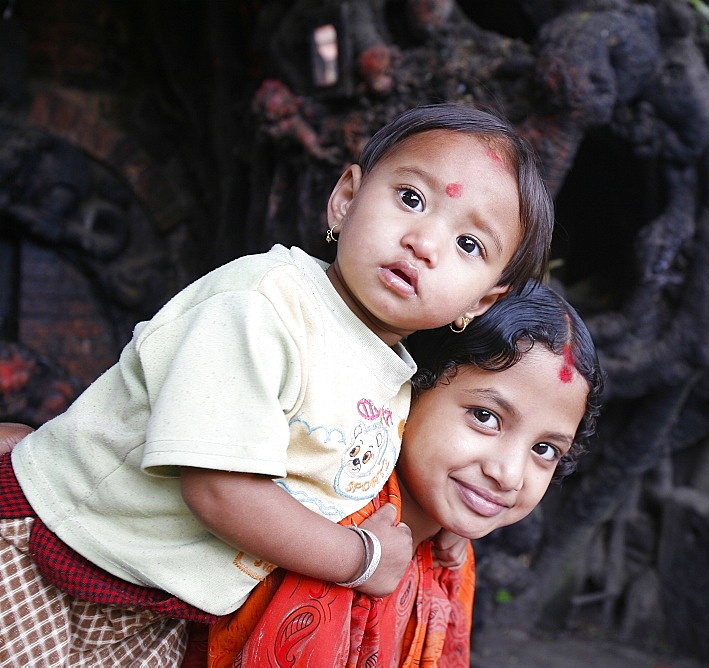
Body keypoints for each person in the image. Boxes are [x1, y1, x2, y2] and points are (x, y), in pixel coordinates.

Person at [0, 103, 554, 666]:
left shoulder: (391, 377)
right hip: (52, 556)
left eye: (468, 245)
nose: (424, 242)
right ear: (345, 199)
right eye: (411, 198)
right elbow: (220, 488)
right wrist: (359, 559)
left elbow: (361, 482)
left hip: (150, 606)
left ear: (480, 302)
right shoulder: (265, 305)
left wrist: (447, 529)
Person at [203, 279, 604, 666]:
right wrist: (358, 558)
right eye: (485, 417)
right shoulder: (324, 524)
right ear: (411, 384)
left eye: (545, 449)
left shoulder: (449, 555)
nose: (509, 475)